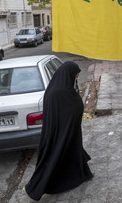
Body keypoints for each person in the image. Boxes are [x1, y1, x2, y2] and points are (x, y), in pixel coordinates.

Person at [25, 61, 93, 201]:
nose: (77, 77)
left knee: (71, 150)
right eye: (75, 75)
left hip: (66, 130)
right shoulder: (60, 92)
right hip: (61, 132)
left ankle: (81, 173)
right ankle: (38, 186)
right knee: (58, 154)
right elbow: (70, 109)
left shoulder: (56, 89)